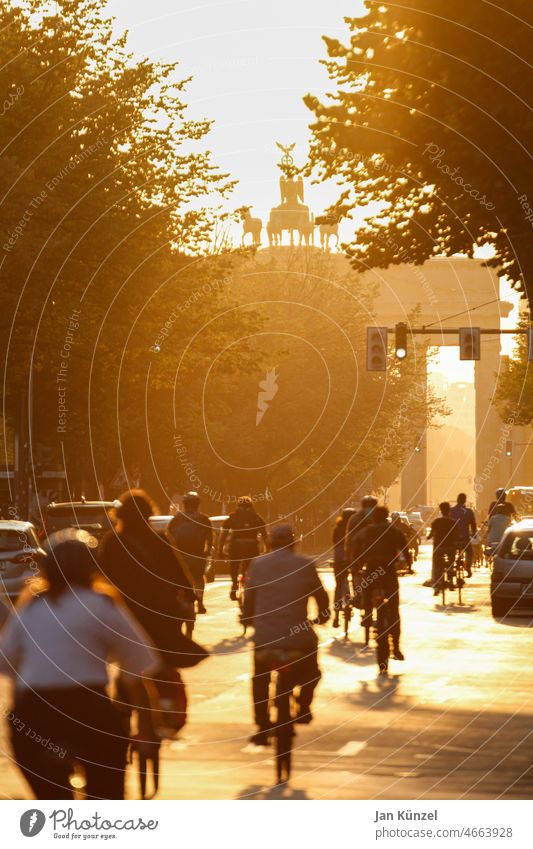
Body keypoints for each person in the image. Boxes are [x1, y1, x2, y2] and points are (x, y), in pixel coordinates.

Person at [0, 529, 158, 799]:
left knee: (49, 799)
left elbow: (8, 663)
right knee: (106, 793)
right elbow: (136, 670)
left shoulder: (31, 606)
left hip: (34, 715)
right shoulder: (102, 603)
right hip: (90, 711)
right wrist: (147, 728)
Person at [242, 523, 330, 745]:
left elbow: (249, 599)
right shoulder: (305, 564)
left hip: (265, 638)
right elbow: (321, 597)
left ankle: (262, 726)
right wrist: (323, 616)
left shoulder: (257, 564)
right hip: (298, 639)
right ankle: (304, 705)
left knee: (260, 679)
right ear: (294, 544)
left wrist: (247, 618)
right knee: (313, 672)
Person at [98, 490, 207, 669]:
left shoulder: (112, 542)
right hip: (162, 615)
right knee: (169, 663)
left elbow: (100, 580)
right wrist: (191, 600)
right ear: (148, 515)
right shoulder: (160, 540)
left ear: (120, 516)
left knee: (127, 670)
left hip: (126, 618)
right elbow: (181, 576)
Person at [352, 506, 405, 673]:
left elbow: (356, 549)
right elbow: (404, 548)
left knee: (366, 595)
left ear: (373, 518)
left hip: (371, 572)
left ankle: (367, 616)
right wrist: (407, 564)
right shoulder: (393, 531)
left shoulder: (365, 532)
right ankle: (395, 647)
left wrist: (356, 566)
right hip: (389, 573)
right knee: (394, 609)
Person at [168, 492, 213, 615]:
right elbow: (210, 538)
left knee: (182, 581)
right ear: (198, 504)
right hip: (197, 555)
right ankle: (200, 602)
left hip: (181, 556)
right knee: (199, 579)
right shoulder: (204, 519)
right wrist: (207, 552)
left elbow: (169, 537)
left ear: (184, 504)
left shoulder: (176, 519)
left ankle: (182, 603)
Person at [218, 496, 268, 600]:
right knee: (253, 568)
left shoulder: (233, 517)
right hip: (252, 547)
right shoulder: (256, 517)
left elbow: (223, 535)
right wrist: (268, 550)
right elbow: (265, 535)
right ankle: (251, 587)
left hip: (236, 547)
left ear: (238, 506)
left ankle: (234, 584)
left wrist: (220, 550)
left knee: (234, 565)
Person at [345, 495, 378, 607]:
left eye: (371, 506)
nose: (369, 508)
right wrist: (349, 557)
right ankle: (358, 596)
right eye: (367, 506)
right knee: (355, 573)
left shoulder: (380, 519)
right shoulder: (354, 519)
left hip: (376, 555)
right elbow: (350, 541)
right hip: (359, 553)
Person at [331, 507, 355, 627]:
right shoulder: (355, 528)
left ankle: (335, 616)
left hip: (339, 559)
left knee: (338, 585)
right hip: (352, 557)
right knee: (357, 577)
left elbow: (334, 543)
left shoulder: (337, 528)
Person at [427, 502, 458, 596]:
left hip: (439, 547)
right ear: (449, 510)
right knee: (451, 561)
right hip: (450, 547)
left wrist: (429, 537)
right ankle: (451, 580)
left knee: (436, 565)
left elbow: (431, 534)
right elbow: (457, 536)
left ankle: (436, 586)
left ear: (441, 510)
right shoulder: (453, 522)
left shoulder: (436, 522)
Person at [450, 493, 477, 578]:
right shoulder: (469, 511)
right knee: (470, 552)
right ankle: (468, 566)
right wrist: (474, 533)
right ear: (465, 501)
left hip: (453, 539)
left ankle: (451, 569)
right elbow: (473, 524)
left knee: (451, 553)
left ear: (457, 500)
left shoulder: (451, 510)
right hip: (465, 538)